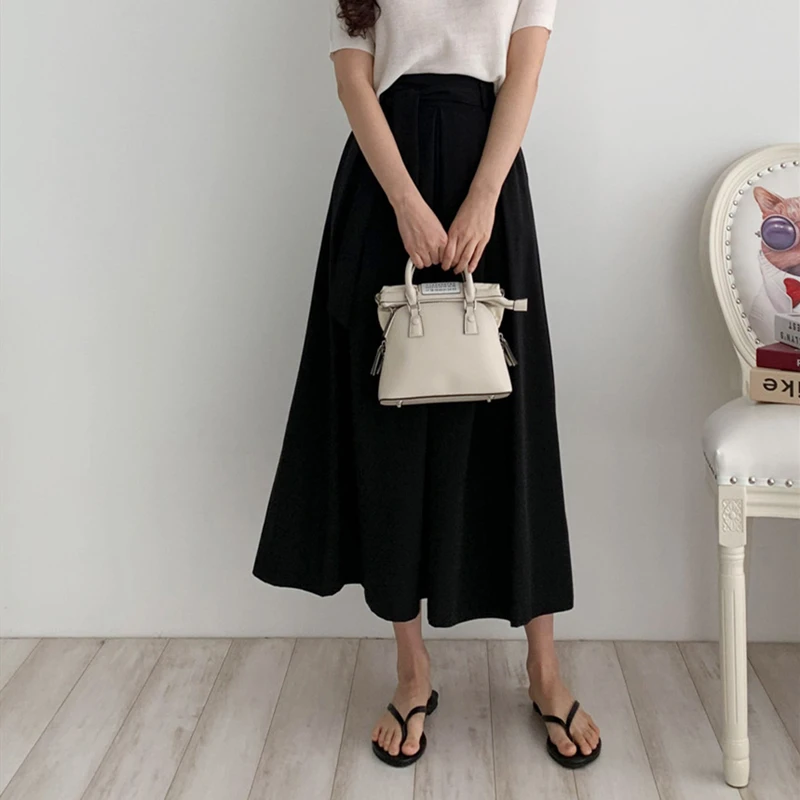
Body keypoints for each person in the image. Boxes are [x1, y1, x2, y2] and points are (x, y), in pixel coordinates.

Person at [252, 0, 602, 769]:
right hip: (385, 186)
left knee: (513, 422)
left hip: (490, 179)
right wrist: (406, 204)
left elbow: (523, 73)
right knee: (390, 430)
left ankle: (544, 668)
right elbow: (354, 80)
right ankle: (412, 669)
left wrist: (482, 198)